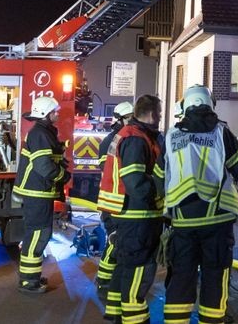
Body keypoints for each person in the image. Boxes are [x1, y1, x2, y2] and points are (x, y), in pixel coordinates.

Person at [162, 86, 238, 324]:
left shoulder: (171, 136)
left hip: (182, 220)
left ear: (185, 106)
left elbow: (161, 175)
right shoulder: (222, 133)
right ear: (210, 105)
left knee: (181, 277)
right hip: (217, 219)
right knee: (214, 277)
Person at [97, 94, 164, 324]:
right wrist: (158, 193)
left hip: (126, 214)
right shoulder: (136, 138)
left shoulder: (130, 134)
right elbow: (135, 182)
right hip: (138, 216)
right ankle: (134, 320)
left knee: (125, 266)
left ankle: (115, 311)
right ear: (153, 113)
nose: (161, 117)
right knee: (139, 270)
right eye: (160, 113)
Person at [13, 95, 70, 294]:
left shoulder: (42, 133)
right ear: (46, 114)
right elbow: (44, 165)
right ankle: (29, 282)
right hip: (37, 192)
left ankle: (32, 277)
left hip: (39, 191)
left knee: (38, 234)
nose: (57, 114)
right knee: (38, 234)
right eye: (55, 111)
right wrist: (63, 175)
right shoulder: (40, 134)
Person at [94, 100, 134, 322]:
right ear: (120, 119)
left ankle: (106, 279)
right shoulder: (111, 141)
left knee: (116, 243)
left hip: (119, 199)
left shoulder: (126, 137)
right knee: (114, 242)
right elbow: (107, 169)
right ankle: (104, 279)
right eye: (128, 117)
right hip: (114, 199)